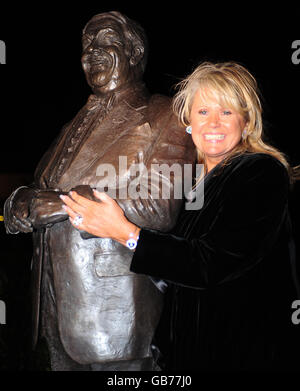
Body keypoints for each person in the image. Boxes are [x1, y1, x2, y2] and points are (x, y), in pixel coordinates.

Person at [61, 61, 300, 371]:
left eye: (226, 112)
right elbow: (173, 275)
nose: (213, 123)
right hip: (189, 354)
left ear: (246, 120)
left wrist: (124, 231)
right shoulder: (191, 181)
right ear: (188, 121)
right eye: (203, 112)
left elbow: (208, 264)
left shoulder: (261, 173)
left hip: (245, 352)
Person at [3, 11, 195, 370]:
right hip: (55, 311)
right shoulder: (72, 124)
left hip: (115, 315)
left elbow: (159, 206)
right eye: (86, 46)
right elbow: (40, 185)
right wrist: (19, 202)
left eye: (105, 42)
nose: (91, 52)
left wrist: (64, 205)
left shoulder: (165, 114)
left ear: (135, 53)